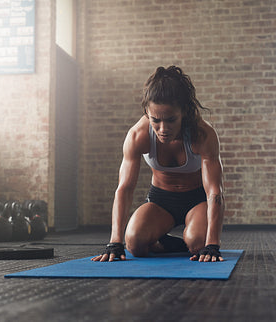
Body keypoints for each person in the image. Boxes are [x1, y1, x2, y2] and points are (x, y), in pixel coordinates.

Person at [91, 66, 225, 263]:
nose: (163, 129)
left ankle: (191, 240)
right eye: (156, 120)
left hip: (197, 200)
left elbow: (215, 190)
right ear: (147, 111)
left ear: (184, 112)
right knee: (134, 244)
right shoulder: (138, 135)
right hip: (161, 200)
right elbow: (125, 188)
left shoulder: (203, 135)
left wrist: (212, 244)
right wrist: (115, 241)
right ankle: (170, 243)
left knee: (199, 244)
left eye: (171, 120)